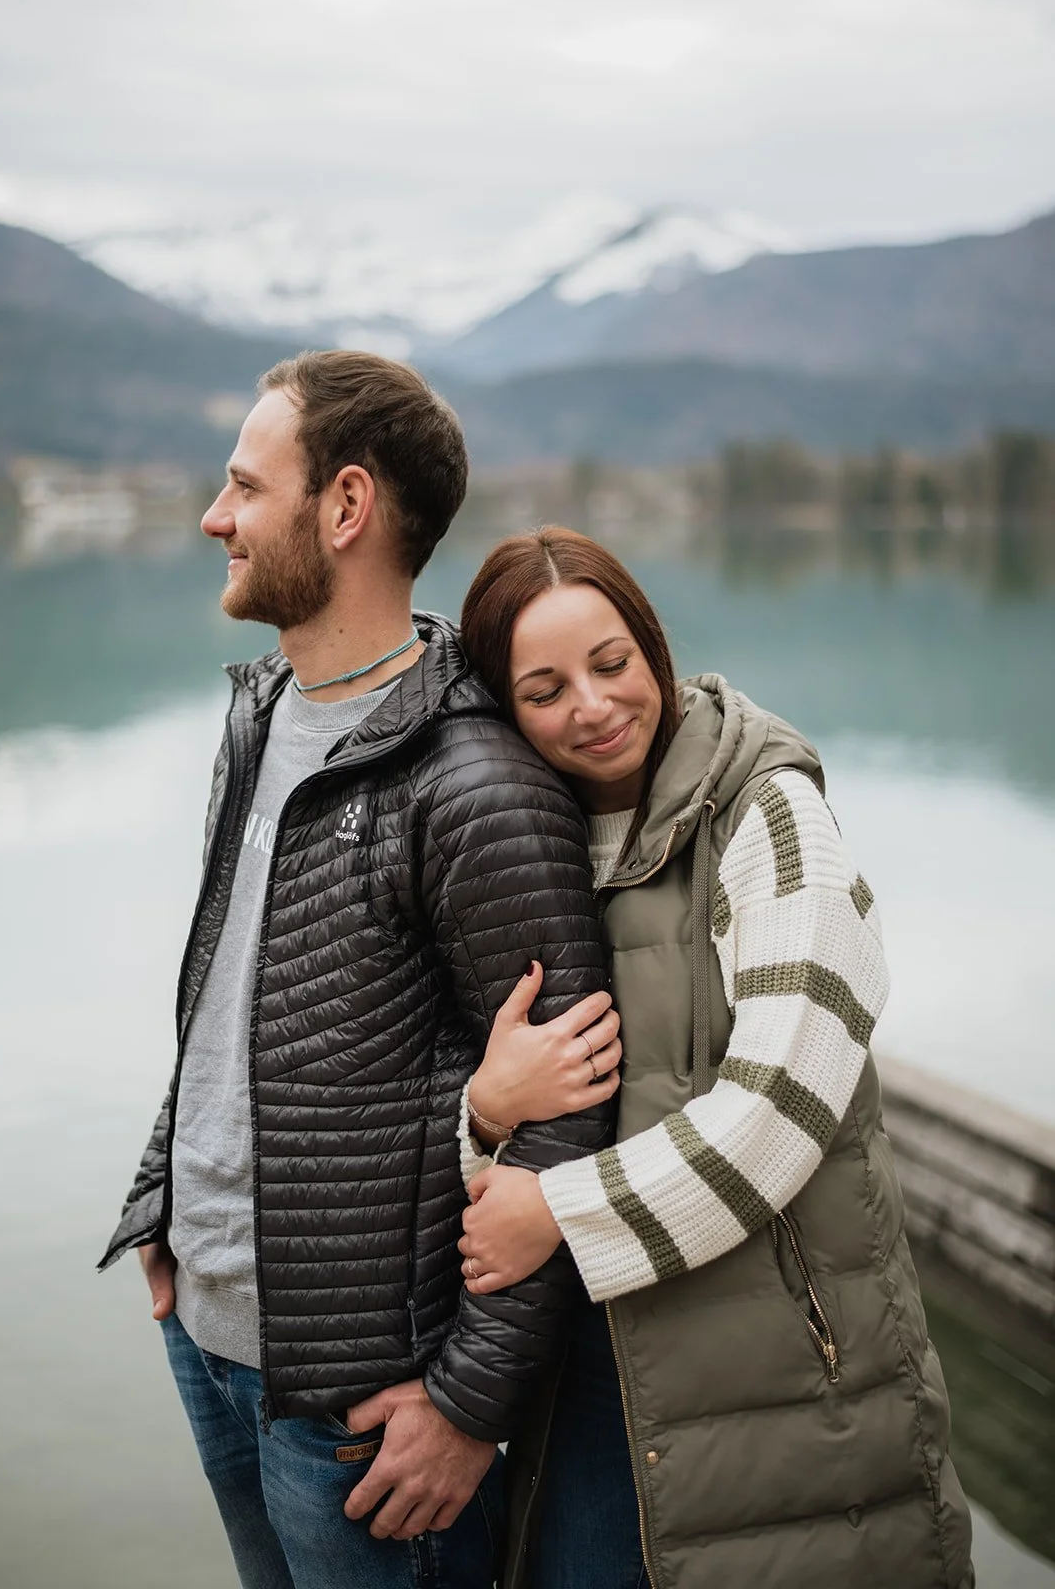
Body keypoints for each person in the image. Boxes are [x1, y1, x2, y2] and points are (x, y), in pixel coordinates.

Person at [98, 358, 621, 1589]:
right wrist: (162, 1200)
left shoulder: (476, 783)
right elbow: (222, 987)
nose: (215, 517)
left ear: (344, 507)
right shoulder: (258, 715)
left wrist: (471, 1404)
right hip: (209, 1335)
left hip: (366, 1406)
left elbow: (572, 1116)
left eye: (244, 487)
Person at [456, 527, 974, 1589]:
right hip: (592, 1370)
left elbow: (781, 1113)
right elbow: (488, 1135)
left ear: (652, 646)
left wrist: (557, 1211)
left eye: (611, 663)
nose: (593, 707)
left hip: (783, 1376)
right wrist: (486, 1113)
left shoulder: (768, 813)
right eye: (545, 690)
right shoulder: (523, 844)